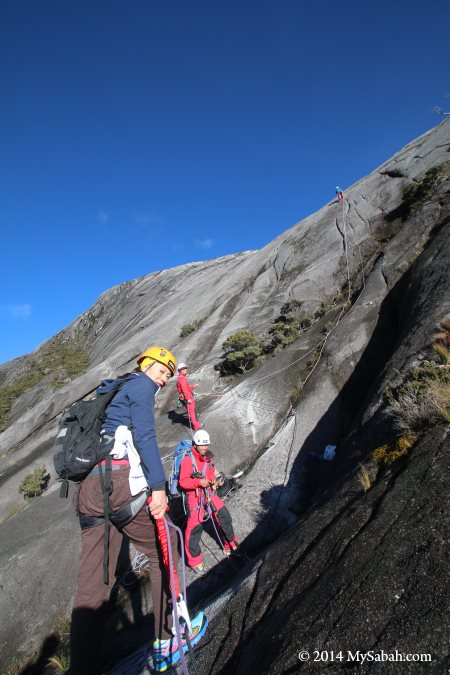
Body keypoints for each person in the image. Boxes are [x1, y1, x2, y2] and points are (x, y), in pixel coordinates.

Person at [69, 346, 205, 674]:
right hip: (119, 484)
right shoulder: (140, 386)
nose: (162, 379)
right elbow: (144, 435)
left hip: (90, 489)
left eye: (168, 376)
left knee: (94, 582)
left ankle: (81, 669)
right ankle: (168, 638)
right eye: (161, 370)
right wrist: (158, 487)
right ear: (145, 363)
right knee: (164, 552)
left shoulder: (114, 387)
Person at [179, 429, 239, 575]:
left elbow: (210, 472)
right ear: (195, 444)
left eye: (206, 444)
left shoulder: (207, 458)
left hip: (209, 492)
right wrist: (200, 482)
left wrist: (214, 482)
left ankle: (230, 543)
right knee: (194, 529)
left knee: (224, 516)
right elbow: (183, 482)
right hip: (195, 496)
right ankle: (195, 561)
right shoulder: (188, 460)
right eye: (202, 445)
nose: (205, 447)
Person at [176, 362, 202, 431]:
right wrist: (188, 399)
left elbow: (187, 388)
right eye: (182, 369)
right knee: (191, 412)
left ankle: (195, 422)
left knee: (191, 411)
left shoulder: (181, 378)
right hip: (187, 398)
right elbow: (184, 390)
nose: (184, 370)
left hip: (186, 397)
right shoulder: (182, 379)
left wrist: (193, 386)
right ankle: (196, 426)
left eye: (185, 368)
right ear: (180, 370)